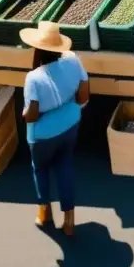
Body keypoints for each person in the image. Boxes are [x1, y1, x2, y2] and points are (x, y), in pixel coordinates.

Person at [21, 22, 89, 237]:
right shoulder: (74, 61)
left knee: (40, 169)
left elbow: (32, 114)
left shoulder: (33, 78)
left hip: (42, 135)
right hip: (71, 124)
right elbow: (83, 97)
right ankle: (69, 220)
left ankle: (44, 213)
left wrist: (26, 114)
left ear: (37, 49)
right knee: (65, 165)